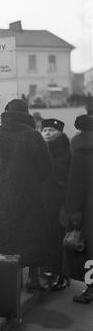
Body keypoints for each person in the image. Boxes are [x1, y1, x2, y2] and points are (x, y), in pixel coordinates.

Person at [0, 99, 52, 292]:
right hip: (30, 194)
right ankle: (33, 279)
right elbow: (46, 168)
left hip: (3, 194)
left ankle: (11, 284)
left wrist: (4, 176)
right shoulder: (32, 135)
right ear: (26, 113)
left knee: (7, 236)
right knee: (32, 234)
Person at [61, 113, 93, 303]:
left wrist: (72, 212)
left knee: (90, 253)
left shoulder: (81, 152)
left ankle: (90, 289)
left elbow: (75, 186)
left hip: (89, 211)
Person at [41, 118, 71, 290]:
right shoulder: (40, 150)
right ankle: (49, 270)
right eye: (44, 130)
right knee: (46, 237)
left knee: (60, 239)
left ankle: (62, 274)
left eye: (51, 130)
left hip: (60, 204)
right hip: (43, 202)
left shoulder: (67, 152)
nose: (47, 133)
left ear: (59, 132)